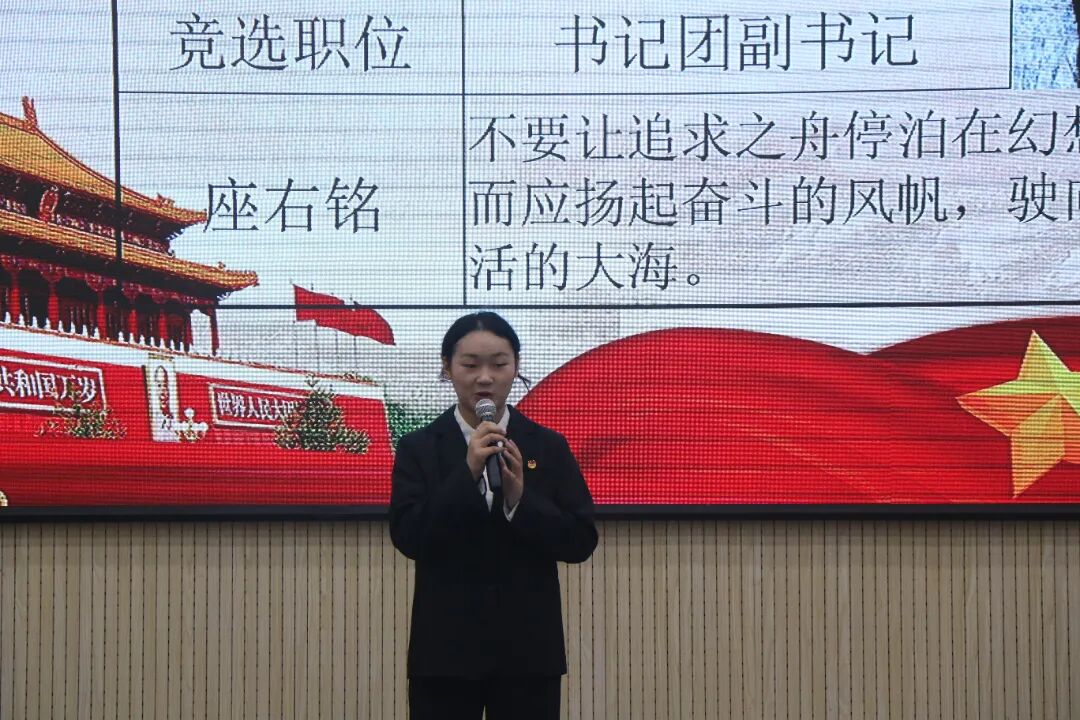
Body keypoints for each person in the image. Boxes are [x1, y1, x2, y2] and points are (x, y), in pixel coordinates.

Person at [389, 311, 598, 720]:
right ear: (447, 368)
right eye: (470, 365)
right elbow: (410, 537)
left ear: (516, 367)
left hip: (528, 654)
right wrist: (466, 473)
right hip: (445, 653)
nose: (484, 378)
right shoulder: (420, 448)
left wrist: (520, 500)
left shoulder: (547, 446)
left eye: (499, 364)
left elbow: (580, 541)